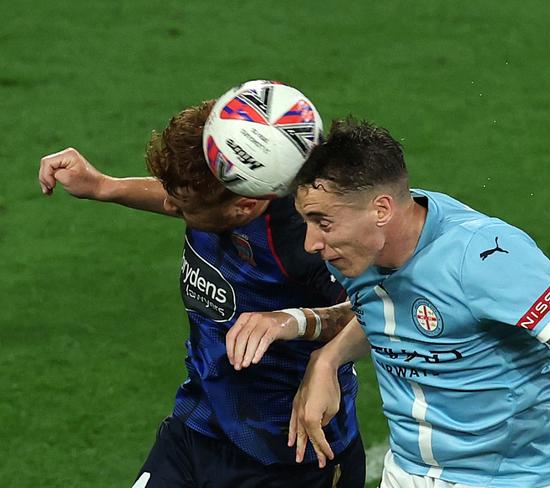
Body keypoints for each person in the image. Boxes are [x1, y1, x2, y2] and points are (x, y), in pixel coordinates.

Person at [287, 117, 550, 487]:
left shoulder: (483, 259)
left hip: (514, 477)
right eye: (307, 222)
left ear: (382, 210)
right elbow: (381, 310)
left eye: (323, 223)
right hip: (407, 471)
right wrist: (328, 359)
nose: (310, 243)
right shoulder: (361, 245)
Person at [37, 100, 365, 488]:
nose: (168, 206)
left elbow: (378, 308)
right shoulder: (229, 180)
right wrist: (105, 186)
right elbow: (194, 198)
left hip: (292, 458)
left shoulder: (306, 242)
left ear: (244, 206)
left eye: (183, 207)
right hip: (196, 428)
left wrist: (304, 336)